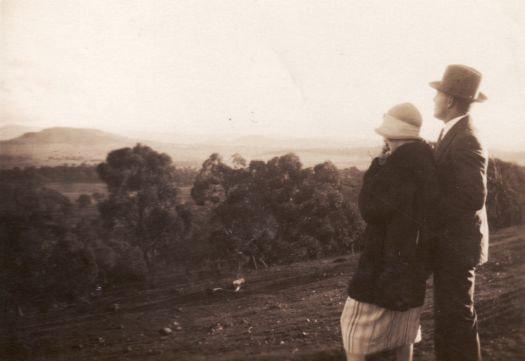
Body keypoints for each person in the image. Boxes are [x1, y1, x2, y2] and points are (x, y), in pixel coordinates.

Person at [341, 103, 437, 361]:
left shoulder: (395, 167)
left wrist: (376, 168)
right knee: (404, 331)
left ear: (389, 134)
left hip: (384, 264)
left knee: (354, 332)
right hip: (414, 262)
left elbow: (370, 209)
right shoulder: (428, 161)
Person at [429, 64, 489, 361]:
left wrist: (429, 207)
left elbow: (472, 196)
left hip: (456, 247)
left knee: (457, 319)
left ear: (450, 100)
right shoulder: (452, 132)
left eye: (437, 95)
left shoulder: (466, 137)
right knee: (450, 318)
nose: (434, 100)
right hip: (451, 246)